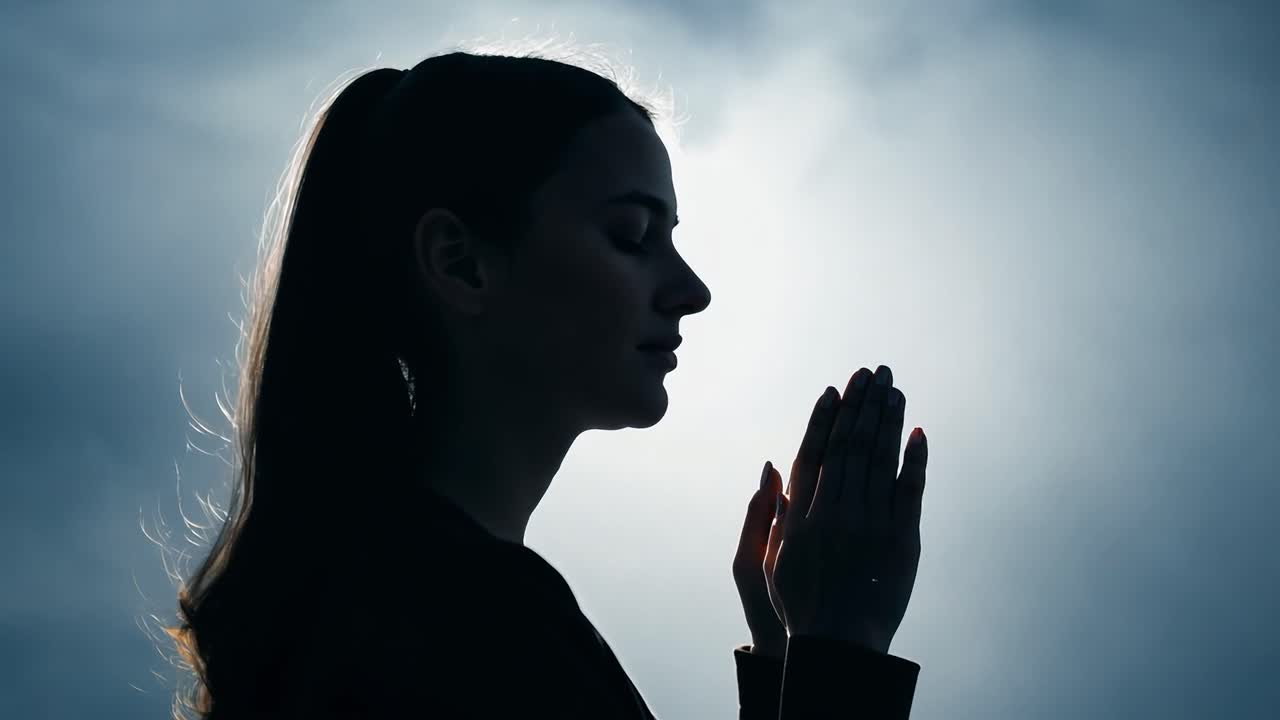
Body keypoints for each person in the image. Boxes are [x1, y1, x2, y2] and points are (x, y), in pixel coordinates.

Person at [163, 48, 930, 719]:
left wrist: (784, 665)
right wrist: (840, 651)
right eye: (631, 236)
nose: (691, 290)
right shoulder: (464, 632)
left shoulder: (380, 600)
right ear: (462, 263)